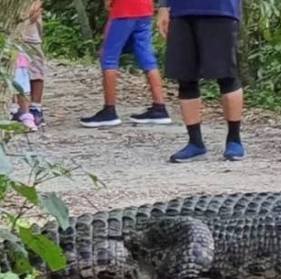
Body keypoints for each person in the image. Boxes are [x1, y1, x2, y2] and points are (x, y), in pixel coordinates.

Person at [157, 0, 245, 162]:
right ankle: (195, 142)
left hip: (220, 11)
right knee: (185, 77)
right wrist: (163, 6)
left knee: (227, 75)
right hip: (181, 12)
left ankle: (234, 139)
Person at [80, 0, 171, 128]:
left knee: (109, 57)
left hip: (123, 9)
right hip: (144, 9)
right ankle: (160, 108)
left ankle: (109, 111)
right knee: (147, 57)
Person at [10, 1, 44, 128]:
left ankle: (35, 108)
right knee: (12, 70)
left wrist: (36, 5)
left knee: (34, 70)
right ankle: (17, 109)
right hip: (9, 27)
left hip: (29, 29)